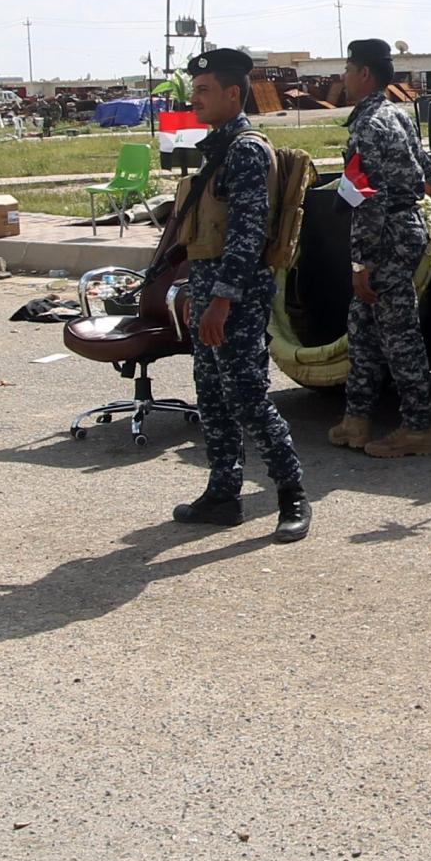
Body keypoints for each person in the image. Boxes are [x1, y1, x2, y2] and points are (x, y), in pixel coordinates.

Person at [170, 48, 309, 539]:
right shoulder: (219, 149)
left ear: (233, 93)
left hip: (239, 297)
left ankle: (292, 494)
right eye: (194, 91)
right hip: (211, 291)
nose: (195, 99)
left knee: (248, 397)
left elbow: (248, 235)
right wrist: (196, 289)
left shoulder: (246, 151)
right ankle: (223, 493)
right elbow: (208, 232)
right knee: (211, 397)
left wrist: (223, 300)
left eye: (204, 91)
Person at [329, 38, 431, 458]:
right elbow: (425, 171)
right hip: (402, 226)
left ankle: (418, 427)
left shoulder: (369, 124)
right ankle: (357, 419)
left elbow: (366, 199)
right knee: (363, 328)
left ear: (364, 74)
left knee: (398, 333)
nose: (343, 77)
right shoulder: (397, 114)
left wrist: (361, 262)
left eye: (348, 69)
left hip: (386, 237)